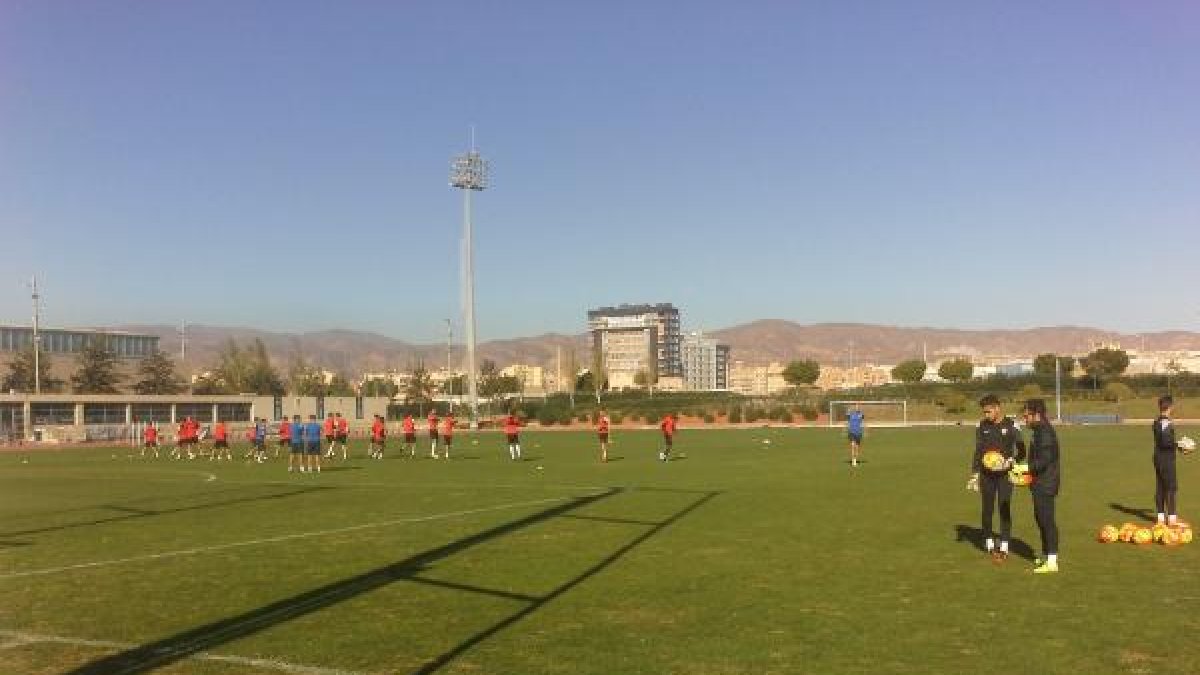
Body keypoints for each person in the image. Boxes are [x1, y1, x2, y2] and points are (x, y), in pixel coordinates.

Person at [967, 394, 1026, 561]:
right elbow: (978, 451)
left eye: (988, 411)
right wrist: (975, 473)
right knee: (987, 510)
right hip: (987, 476)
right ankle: (990, 544)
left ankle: (1005, 546)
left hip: (1005, 475)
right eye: (984, 412)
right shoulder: (981, 425)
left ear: (997, 408)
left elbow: (1022, 451)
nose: (986, 415)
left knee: (1004, 508)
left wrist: (1011, 461)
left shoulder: (1012, 425)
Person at [1022, 399, 1061, 574]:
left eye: (1027, 416)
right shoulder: (1038, 430)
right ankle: (1047, 557)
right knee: (1040, 519)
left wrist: (1026, 468)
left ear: (1036, 415)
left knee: (1046, 520)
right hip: (1039, 482)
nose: (1025, 420)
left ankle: (1052, 561)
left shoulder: (1044, 432)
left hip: (1045, 483)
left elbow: (1045, 460)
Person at [1153, 395, 1186, 526]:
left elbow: (1161, 441)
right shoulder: (1166, 422)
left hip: (1158, 457)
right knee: (1170, 488)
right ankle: (1172, 520)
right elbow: (1165, 442)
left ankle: (1160, 519)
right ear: (1170, 407)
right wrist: (1180, 445)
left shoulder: (1157, 421)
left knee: (1160, 487)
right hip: (1166, 459)